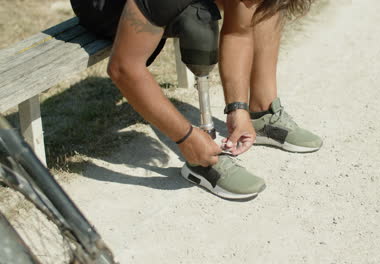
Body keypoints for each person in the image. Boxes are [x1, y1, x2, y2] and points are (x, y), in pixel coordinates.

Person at [70, 0, 322, 200]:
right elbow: (123, 68)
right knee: (199, 17)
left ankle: (261, 115)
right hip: (101, 8)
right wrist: (185, 137)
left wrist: (238, 109)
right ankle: (202, 155)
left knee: (267, 4)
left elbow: (238, 32)